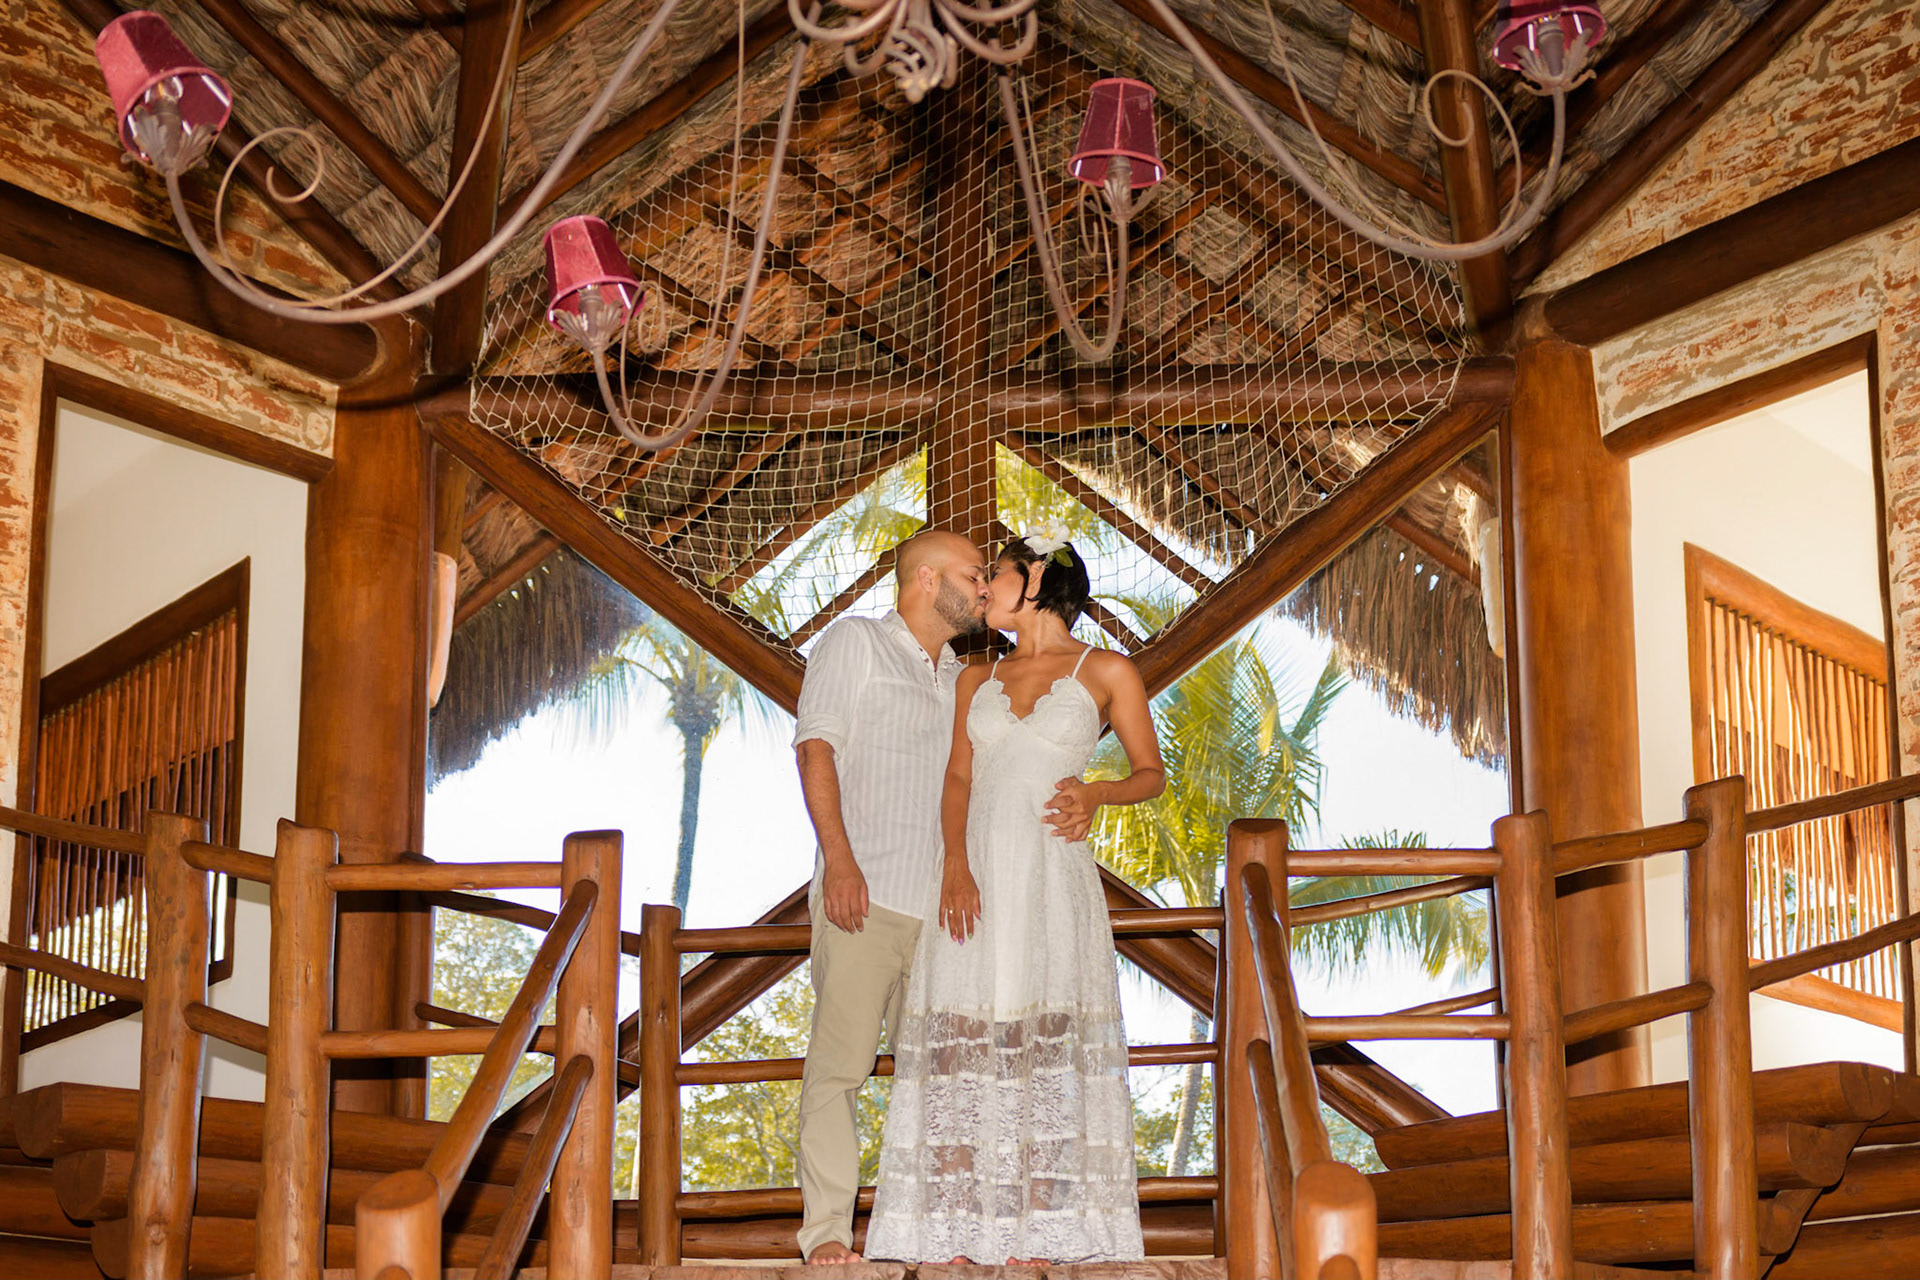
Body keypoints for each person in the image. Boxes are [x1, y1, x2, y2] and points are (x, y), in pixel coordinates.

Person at [864, 533, 1166, 1266]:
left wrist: (1097, 793)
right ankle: (956, 1233)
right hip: (974, 879)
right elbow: (958, 780)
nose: (982, 587)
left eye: (993, 573)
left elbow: (1150, 774)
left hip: (1052, 878)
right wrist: (954, 865)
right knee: (964, 1038)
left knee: (1045, 1036)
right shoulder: (976, 677)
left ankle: (1042, 1236)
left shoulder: (1108, 670)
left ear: (1035, 579)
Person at [792, 528, 991, 1266]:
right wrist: (840, 863)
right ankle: (827, 1237)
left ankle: (942, 1236)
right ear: (926, 578)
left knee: (941, 1081)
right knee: (838, 1069)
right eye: (974, 574)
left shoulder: (966, 680)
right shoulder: (855, 642)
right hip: (864, 896)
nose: (984, 588)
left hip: (943, 919)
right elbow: (815, 748)